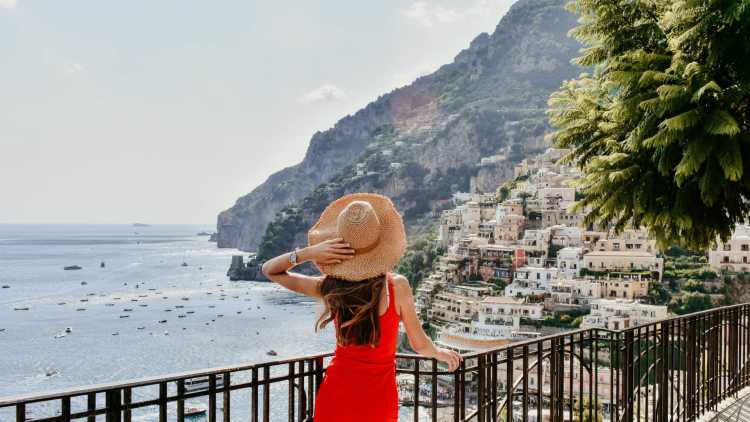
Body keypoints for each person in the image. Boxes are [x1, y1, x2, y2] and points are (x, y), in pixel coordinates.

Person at [262, 193, 462, 422]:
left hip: (336, 397)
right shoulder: (397, 286)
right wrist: (440, 353)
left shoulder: (331, 288)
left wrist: (308, 253)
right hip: (378, 402)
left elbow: (270, 270)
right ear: (381, 244)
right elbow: (419, 345)